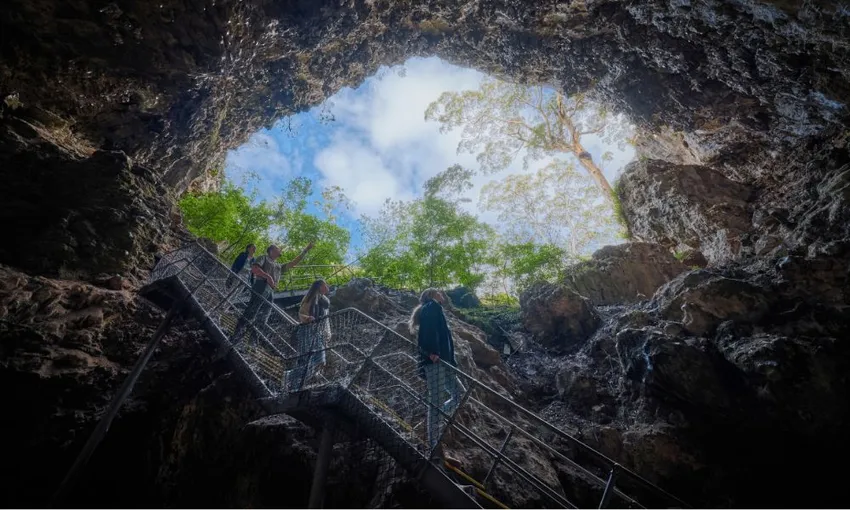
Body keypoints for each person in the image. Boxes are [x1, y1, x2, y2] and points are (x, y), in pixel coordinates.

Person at [229, 242, 314, 346]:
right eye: (278, 248)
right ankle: (236, 336)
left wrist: (306, 250)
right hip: (261, 285)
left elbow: (293, 263)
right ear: (271, 250)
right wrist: (268, 276)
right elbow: (254, 269)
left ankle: (252, 342)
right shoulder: (263, 258)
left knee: (263, 317)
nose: (280, 250)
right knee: (251, 311)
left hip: (271, 292)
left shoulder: (279, 266)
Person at [409, 288, 460, 455]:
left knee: (459, 394)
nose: (442, 294)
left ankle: (435, 419)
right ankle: (433, 442)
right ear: (431, 295)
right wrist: (433, 351)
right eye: (439, 292)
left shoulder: (433, 308)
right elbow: (429, 331)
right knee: (437, 400)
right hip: (435, 361)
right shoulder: (432, 306)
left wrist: (451, 361)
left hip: (444, 362)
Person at [288, 279, 331, 390]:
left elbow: (326, 320)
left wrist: (327, 333)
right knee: (308, 360)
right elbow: (301, 313)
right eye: (325, 285)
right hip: (307, 331)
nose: (327, 287)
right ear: (320, 286)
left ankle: (295, 382)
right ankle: (291, 380)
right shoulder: (310, 297)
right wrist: (308, 318)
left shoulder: (324, 300)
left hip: (318, 333)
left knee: (320, 360)